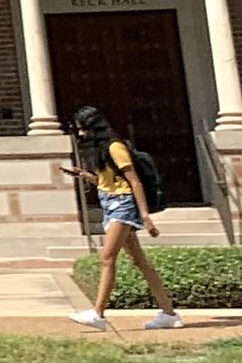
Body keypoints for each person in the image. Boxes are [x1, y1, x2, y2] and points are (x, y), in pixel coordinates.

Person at [63, 105, 180, 329]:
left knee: (107, 258)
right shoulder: (102, 151)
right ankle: (169, 313)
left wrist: (145, 216)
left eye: (83, 129)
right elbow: (106, 183)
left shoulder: (115, 148)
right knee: (140, 262)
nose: (81, 134)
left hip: (123, 205)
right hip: (111, 203)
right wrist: (85, 176)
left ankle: (98, 314)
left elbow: (134, 182)